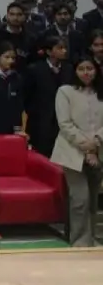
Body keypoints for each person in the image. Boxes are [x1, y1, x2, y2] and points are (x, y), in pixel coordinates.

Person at [50, 58, 103, 247]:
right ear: (75, 71)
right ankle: (80, 241)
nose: (86, 73)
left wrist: (96, 143)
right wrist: (87, 147)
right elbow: (65, 124)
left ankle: (92, 238)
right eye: (81, 69)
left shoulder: (100, 92)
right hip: (71, 152)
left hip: (99, 152)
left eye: (90, 68)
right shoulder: (65, 92)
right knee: (80, 198)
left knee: (93, 198)